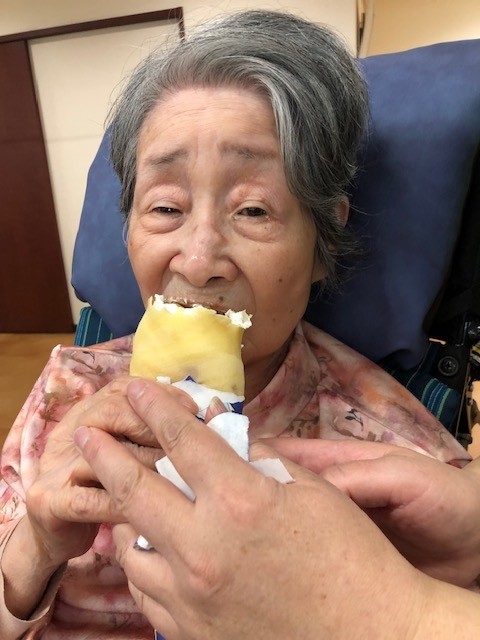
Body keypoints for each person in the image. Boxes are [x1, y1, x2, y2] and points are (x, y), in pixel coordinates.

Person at [0, 9, 471, 639]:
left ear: (322, 242)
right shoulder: (68, 392)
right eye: (165, 207)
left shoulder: (397, 455)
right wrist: (33, 548)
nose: (197, 261)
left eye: (252, 210)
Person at [73, 378, 480, 639]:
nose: (196, 271)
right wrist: (39, 552)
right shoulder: (71, 388)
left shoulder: (400, 434)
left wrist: (393, 620)